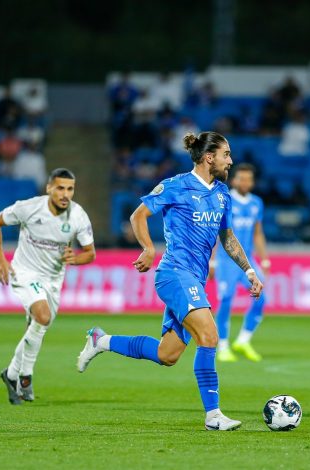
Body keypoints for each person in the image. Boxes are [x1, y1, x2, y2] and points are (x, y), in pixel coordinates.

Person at [77, 131, 263, 431]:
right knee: (210, 335)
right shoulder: (177, 186)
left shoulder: (221, 194)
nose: (231, 161)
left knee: (168, 354)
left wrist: (249, 271)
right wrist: (149, 248)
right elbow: (139, 215)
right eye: (226, 155)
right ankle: (213, 415)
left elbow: (227, 238)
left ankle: (102, 340)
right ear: (209, 157)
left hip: (195, 280)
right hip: (174, 273)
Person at [0, 168, 96, 405]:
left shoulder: (78, 216)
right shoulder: (29, 208)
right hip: (25, 272)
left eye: (70, 189)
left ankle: (10, 375)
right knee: (43, 316)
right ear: (49, 188)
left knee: (38, 326)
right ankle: (26, 376)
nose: (65, 194)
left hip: (53, 280)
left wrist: (75, 258)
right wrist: (0, 260)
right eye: (60, 188)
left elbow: (90, 254)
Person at [210, 164, 269, 363]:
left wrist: (265, 258)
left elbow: (258, 233)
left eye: (249, 179)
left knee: (261, 299)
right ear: (234, 180)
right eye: (242, 179)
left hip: (248, 260)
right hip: (226, 261)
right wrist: (212, 261)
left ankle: (243, 340)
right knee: (226, 300)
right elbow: (217, 233)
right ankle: (223, 346)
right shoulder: (224, 200)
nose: (245, 183)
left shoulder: (256, 203)